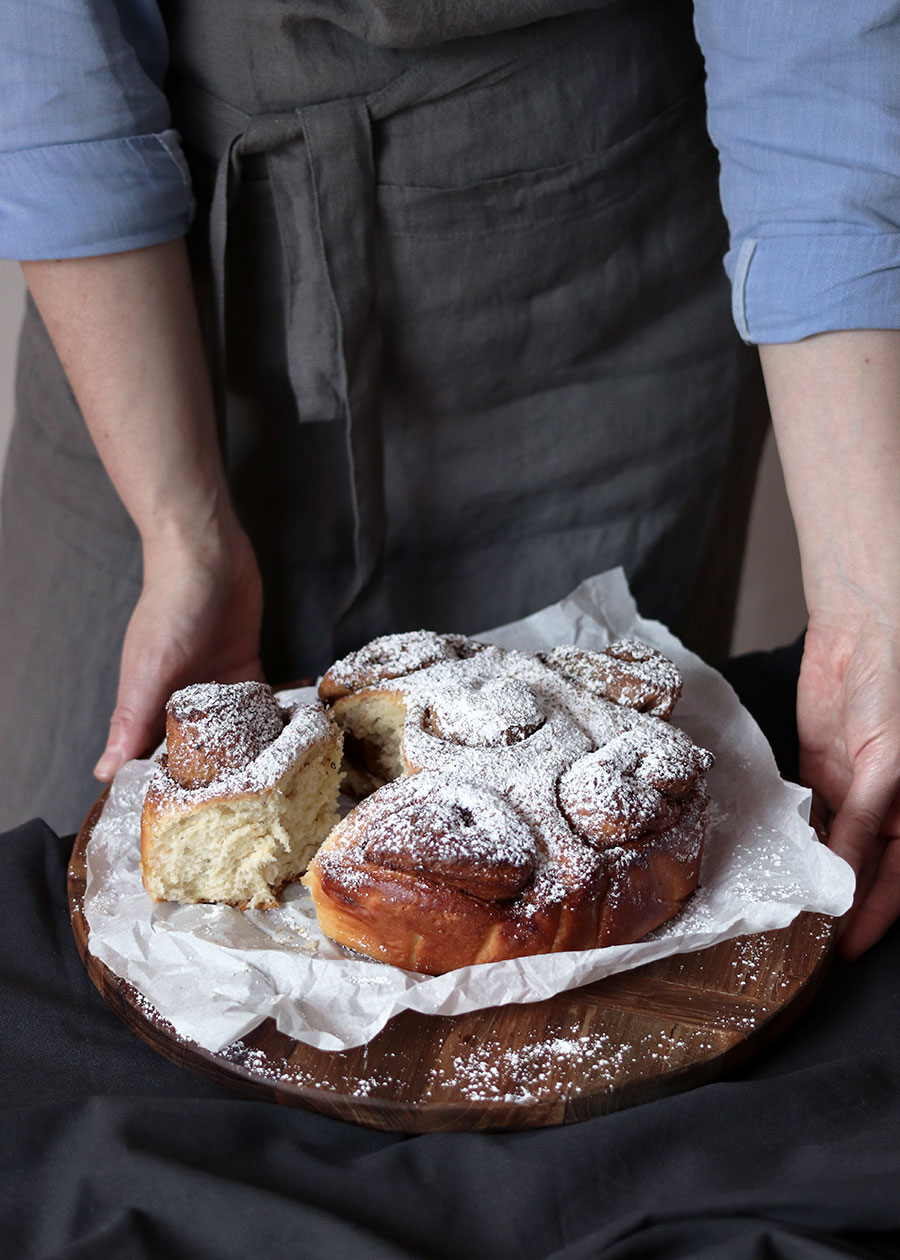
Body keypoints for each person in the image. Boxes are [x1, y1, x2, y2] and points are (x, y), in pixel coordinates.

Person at [1, 1, 898, 961]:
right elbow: (47, 50)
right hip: (159, 304)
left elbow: (819, 48)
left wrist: (867, 604)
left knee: (626, 963)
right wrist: (180, 533)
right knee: (61, 912)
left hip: (599, 273)